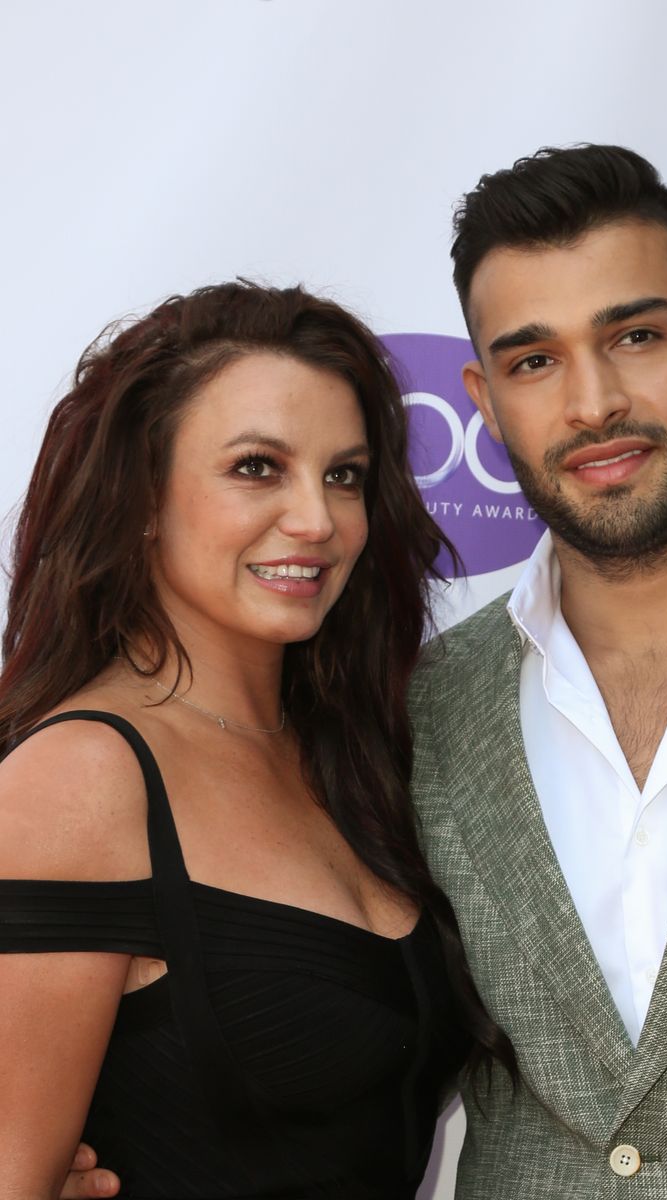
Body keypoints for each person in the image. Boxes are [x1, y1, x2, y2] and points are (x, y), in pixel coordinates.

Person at [64, 148, 667, 1199]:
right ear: (483, 400)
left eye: (635, 335)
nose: (593, 402)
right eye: (536, 361)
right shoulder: (414, 715)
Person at [0, 280, 509, 1199]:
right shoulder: (80, 779)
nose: (317, 520)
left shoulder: (356, 754)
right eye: (256, 468)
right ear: (144, 495)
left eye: (343, 475)